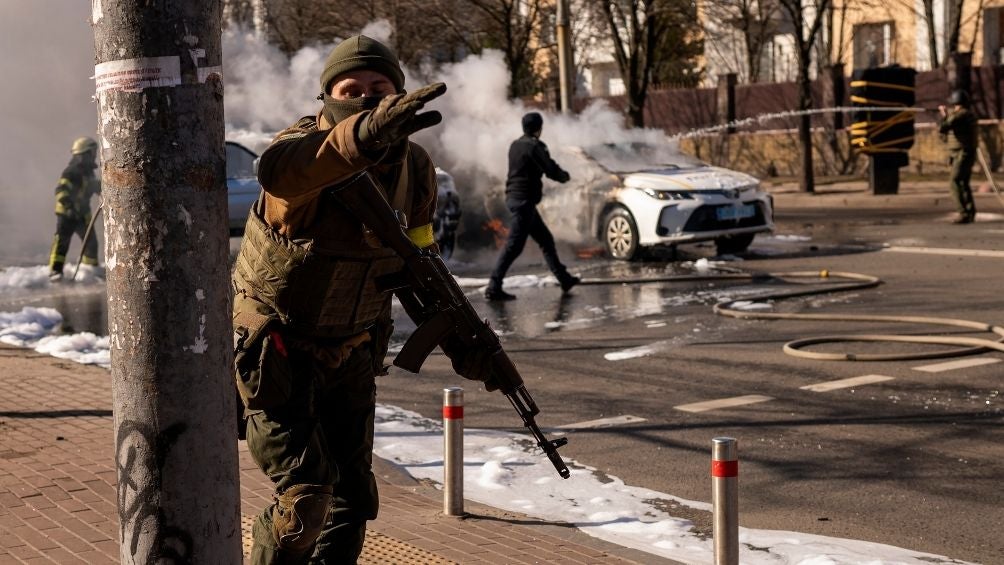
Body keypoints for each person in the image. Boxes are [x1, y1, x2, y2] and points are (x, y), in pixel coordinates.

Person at [231, 35, 491, 564]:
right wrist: (363, 136)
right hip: (278, 352)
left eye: (381, 88)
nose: (368, 99)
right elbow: (278, 174)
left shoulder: (414, 168)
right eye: (352, 90)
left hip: (351, 349)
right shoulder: (299, 153)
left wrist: (464, 340)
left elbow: (420, 261)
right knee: (306, 500)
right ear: (327, 98)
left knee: (353, 499)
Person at [485, 112, 580, 301]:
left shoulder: (515, 145)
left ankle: (564, 279)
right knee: (513, 246)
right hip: (523, 202)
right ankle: (493, 286)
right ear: (539, 128)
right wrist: (565, 176)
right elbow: (550, 169)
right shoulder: (535, 146)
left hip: (516, 199)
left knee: (546, 240)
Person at [48, 137, 101, 281]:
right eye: (93, 151)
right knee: (62, 242)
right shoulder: (71, 171)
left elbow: (91, 187)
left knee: (91, 243)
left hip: (82, 214)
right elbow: (61, 190)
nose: (95, 154)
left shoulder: (88, 172)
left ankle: (90, 271)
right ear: (85, 153)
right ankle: (55, 272)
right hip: (67, 214)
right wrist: (69, 207)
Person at [938, 89, 978, 224]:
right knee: (963, 182)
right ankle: (969, 211)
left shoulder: (961, 114)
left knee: (954, 182)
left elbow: (944, 126)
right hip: (961, 153)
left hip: (962, 153)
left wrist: (944, 115)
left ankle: (963, 212)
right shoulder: (964, 114)